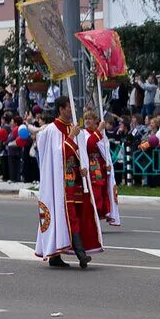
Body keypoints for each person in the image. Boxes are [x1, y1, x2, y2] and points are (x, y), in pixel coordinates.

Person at [34, 96, 103, 268]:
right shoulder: (52, 130)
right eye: (68, 108)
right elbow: (58, 155)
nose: (71, 111)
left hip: (74, 180)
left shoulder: (73, 128)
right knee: (68, 216)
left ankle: (61, 255)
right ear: (61, 109)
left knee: (76, 216)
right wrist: (71, 137)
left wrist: (82, 166)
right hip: (59, 183)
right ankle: (80, 255)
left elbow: (78, 152)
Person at [79, 111, 120, 226]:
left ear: (96, 121)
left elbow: (104, 153)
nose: (87, 121)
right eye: (86, 119)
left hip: (99, 169)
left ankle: (96, 220)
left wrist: (106, 164)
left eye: (90, 119)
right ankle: (92, 222)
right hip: (90, 169)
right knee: (94, 196)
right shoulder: (83, 134)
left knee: (101, 195)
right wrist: (98, 131)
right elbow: (90, 145)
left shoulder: (102, 135)